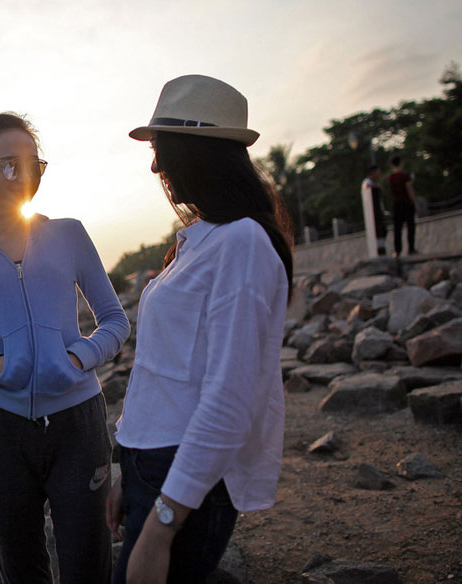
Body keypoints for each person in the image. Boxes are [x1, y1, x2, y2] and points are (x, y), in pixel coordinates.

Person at [0, 112, 130, 584]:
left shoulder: (69, 234)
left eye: (33, 165)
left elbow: (114, 320)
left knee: (89, 566)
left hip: (78, 422)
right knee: (21, 570)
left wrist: (79, 357)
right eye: (9, 164)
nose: (23, 176)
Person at [106, 75, 293, 584]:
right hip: (152, 466)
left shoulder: (243, 244)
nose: (155, 166)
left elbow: (231, 396)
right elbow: (156, 370)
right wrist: (128, 464)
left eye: (162, 149)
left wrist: (162, 526)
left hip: (185, 477)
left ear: (196, 151)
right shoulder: (197, 243)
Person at [388, 156, 418, 256]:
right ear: (401, 163)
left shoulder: (391, 177)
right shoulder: (405, 176)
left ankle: (397, 250)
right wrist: (415, 203)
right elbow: (409, 189)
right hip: (407, 203)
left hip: (397, 204)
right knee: (410, 227)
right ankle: (411, 249)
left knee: (398, 229)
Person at [362, 165, 387, 256]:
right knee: (378, 233)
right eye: (378, 173)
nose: (380, 175)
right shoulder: (367, 182)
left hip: (378, 212)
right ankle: (379, 251)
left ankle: (381, 250)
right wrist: (377, 186)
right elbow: (366, 186)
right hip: (373, 215)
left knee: (383, 231)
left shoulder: (374, 184)